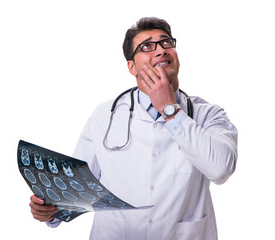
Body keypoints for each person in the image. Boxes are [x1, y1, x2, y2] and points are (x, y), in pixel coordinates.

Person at [29, 17, 238, 240]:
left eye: (166, 43)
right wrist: (51, 212)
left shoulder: (208, 114)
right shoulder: (104, 116)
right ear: (132, 66)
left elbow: (220, 169)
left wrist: (170, 109)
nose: (160, 50)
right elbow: (75, 191)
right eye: (146, 46)